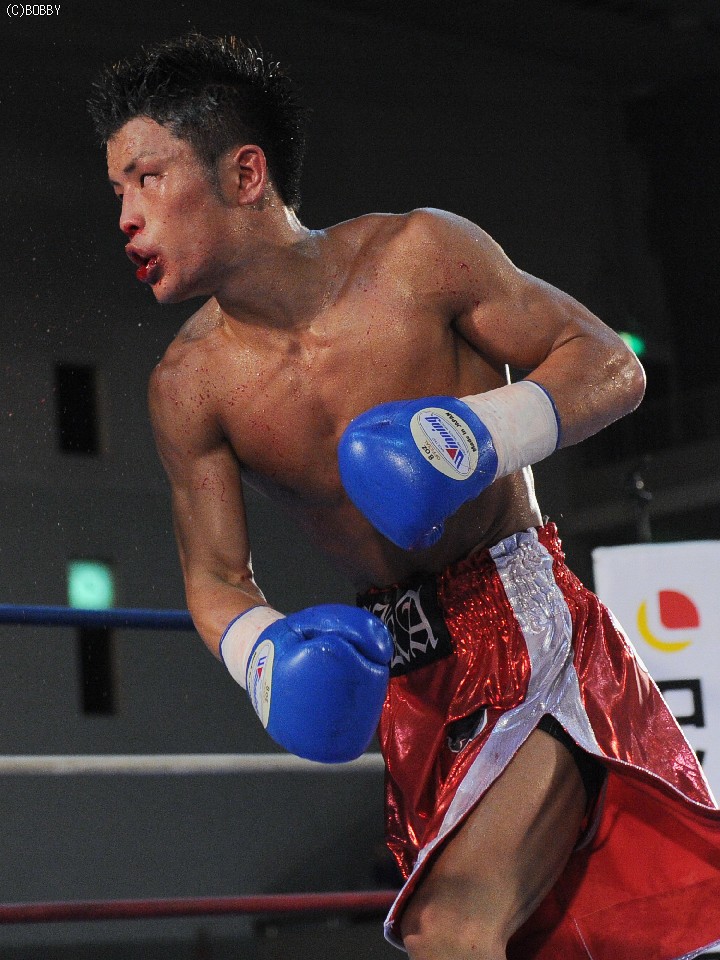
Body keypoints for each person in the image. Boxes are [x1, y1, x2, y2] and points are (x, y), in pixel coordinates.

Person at [88, 34, 720, 960]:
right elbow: (215, 578)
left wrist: (480, 435)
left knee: (451, 927)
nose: (126, 216)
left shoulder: (420, 257)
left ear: (245, 173)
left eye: (147, 178)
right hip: (405, 677)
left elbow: (608, 364)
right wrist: (264, 657)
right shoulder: (188, 387)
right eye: (117, 191)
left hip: (522, 621)